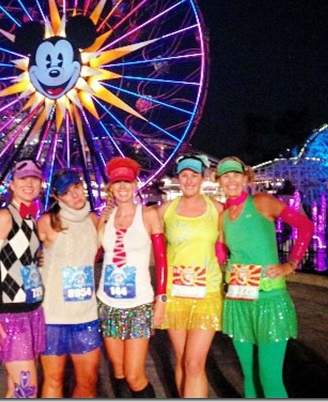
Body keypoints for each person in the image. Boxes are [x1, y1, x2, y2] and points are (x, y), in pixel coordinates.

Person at [214, 156, 314, 398]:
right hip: (238, 300)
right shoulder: (223, 216)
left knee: (269, 377)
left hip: (270, 299)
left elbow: (305, 225)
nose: (231, 180)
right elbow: (220, 250)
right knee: (248, 373)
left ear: (245, 177)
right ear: (218, 181)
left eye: (235, 174)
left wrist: (291, 263)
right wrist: (219, 272)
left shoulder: (261, 202)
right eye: (225, 176)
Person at [96, 156, 167, 398]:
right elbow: (92, 254)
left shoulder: (148, 215)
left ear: (135, 185)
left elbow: (162, 260)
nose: (123, 187)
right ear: (111, 188)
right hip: (108, 303)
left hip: (139, 305)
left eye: (127, 182)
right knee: (117, 370)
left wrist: (162, 300)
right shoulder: (105, 217)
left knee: (135, 375)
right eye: (117, 183)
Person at [156, 153, 225, 398]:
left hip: (207, 293)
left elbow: (235, 241)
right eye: (184, 175)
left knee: (195, 363)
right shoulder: (165, 210)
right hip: (176, 294)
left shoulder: (217, 209)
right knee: (183, 360)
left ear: (203, 178)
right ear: (178, 178)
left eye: (193, 175)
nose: (188, 180)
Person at [0, 158, 45, 398]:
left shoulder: (31, 219)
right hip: (11, 314)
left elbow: (19, 258)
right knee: (27, 390)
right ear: (12, 185)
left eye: (34, 178)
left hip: (32, 310)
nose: (29, 183)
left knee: (15, 389)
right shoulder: (4, 217)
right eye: (23, 178)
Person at [37, 169, 102, 398]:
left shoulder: (94, 220)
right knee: (53, 380)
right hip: (53, 316)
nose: (75, 195)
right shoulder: (47, 222)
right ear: (57, 197)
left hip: (85, 315)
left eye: (76, 188)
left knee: (89, 380)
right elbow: (22, 254)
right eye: (67, 192)